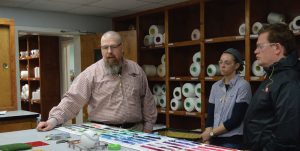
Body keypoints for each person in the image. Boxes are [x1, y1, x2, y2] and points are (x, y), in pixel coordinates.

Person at [36, 31, 157, 133]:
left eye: (114, 46)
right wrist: (53, 120)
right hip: (102, 132)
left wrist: (148, 127)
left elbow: (147, 100)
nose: (109, 51)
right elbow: (72, 100)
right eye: (105, 47)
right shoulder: (91, 73)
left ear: (121, 47)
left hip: (135, 132)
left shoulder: (136, 70)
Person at [244, 23, 300, 151]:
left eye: (260, 46)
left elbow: (287, 136)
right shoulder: (273, 75)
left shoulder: (289, 81)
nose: (255, 51)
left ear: (277, 48)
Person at [202, 48, 252, 149]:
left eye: (227, 63)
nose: (222, 65)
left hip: (233, 139)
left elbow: (236, 119)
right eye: (220, 62)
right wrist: (207, 138)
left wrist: (211, 134)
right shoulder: (215, 86)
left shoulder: (243, 85)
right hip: (215, 137)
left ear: (236, 66)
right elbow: (210, 115)